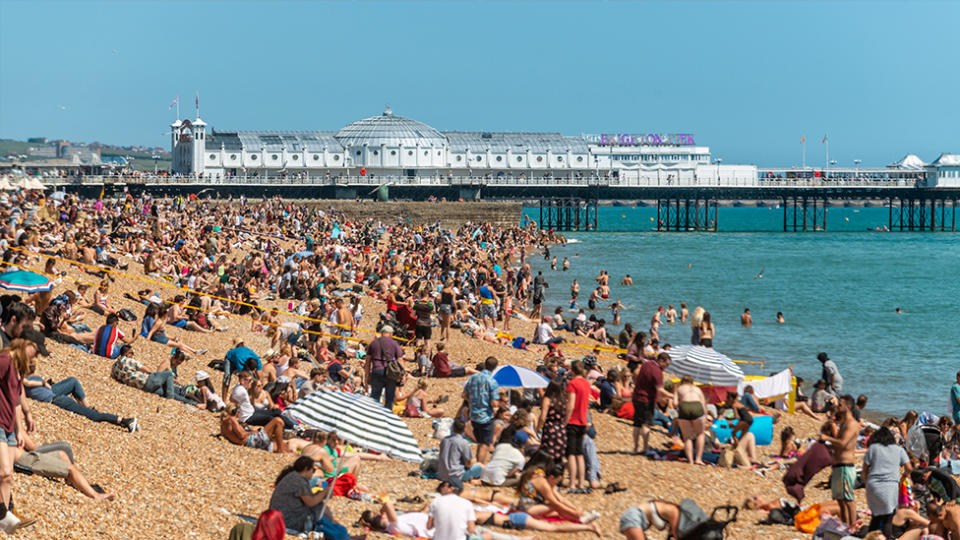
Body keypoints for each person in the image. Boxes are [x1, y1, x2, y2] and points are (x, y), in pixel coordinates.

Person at [0, 339, 37, 533]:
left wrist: (17, 429)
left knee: (7, 477)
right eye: (35, 351)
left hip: (8, 425)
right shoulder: (5, 360)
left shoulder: (18, 368)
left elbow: (15, 401)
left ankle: (5, 519)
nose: (35, 357)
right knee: (4, 471)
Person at [268, 457, 351, 540]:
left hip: (280, 516)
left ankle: (337, 530)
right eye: (313, 470)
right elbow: (310, 502)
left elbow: (308, 498)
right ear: (306, 468)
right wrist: (325, 492)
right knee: (319, 507)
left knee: (319, 506)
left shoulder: (292, 476)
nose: (313, 473)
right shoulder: (299, 481)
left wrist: (322, 494)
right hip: (288, 520)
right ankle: (338, 532)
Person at [23, 373, 137, 433]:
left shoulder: (20, 381)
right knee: (92, 414)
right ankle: (123, 421)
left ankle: (124, 420)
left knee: (94, 415)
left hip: (55, 397)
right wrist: (42, 383)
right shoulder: (23, 378)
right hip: (52, 394)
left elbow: (26, 383)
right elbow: (27, 383)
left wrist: (43, 383)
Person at [862, 426, 912, 536]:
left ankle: (870, 538)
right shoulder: (899, 450)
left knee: (876, 516)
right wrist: (903, 477)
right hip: (890, 486)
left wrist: (867, 483)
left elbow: (864, 470)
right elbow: (909, 468)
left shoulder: (873, 448)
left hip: (873, 485)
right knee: (888, 519)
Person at [818, 395, 859, 526]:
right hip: (839, 466)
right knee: (840, 500)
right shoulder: (844, 424)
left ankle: (852, 527)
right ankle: (845, 526)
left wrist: (826, 438)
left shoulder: (852, 424)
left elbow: (843, 443)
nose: (837, 407)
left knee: (848, 499)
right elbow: (839, 445)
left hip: (846, 467)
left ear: (847, 407)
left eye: (840, 405)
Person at [464, 356, 500, 464]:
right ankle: (478, 468)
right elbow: (494, 403)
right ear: (494, 368)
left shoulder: (473, 377)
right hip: (486, 416)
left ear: (485, 364)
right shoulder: (492, 381)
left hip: (474, 414)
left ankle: (475, 465)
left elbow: (464, 394)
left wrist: (473, 401)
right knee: (484, 444)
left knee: (480, 442)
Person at [632, 353, 670, 454]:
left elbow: (636, 374)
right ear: (661, 361)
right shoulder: (657, 372)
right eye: (666, 364)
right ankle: (645, 447)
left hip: (636, 396)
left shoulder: (647, 364)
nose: (666, 367)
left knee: (637, 424)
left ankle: (636, 447)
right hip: (646, 400)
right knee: (646, 424)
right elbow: (661, 390)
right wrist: (674, 396)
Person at [564, 360, 590, 493]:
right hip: (583, 421)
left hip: (573, 421)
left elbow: (571, 405)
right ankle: (581, 483)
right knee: (579, 454)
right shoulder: (586, 383)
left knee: (571, 454)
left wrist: (565, 421)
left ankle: (572, 484)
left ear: (572, 371)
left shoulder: (572, 383)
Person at [365, 325, 406, 410]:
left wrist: (367, 376)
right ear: (390, 333)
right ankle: (387, 418)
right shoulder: (394, 343)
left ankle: (373, 417)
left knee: (375, 396)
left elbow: (368, 362)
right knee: (389, 397)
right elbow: (400, 360)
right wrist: (403, 375)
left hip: (376, 370)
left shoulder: (373, 343)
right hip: (390, 372)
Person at [437, 418, 483, 484]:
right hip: (456, 476)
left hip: (441, 474)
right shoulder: (463, 442)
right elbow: (469, 462)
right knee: (480, 466)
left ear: (453, 428)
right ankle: (475, 480)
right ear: (464, 430)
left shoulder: (444, 440)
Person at [674, 375, 707, 465]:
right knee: (700, 434)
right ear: (692, 382)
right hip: (697, 406)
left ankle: (690, 461)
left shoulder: (679, 388)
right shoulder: (697, 389)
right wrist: (705, 416)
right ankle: (698, 459)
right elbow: (703, 404)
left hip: (684, 407)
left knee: (687, 437)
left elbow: (675, 403)